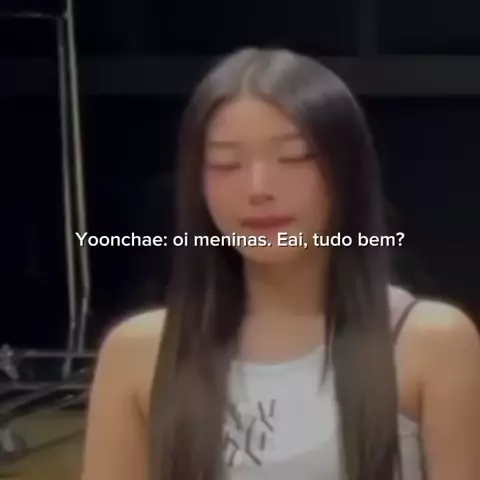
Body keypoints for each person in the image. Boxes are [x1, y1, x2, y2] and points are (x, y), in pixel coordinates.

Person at [81, 48, 480, 480]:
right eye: (226, 163)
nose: (258, 188)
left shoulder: (430, 343)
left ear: (347, 173)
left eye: (293, 157)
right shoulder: (138, 354)